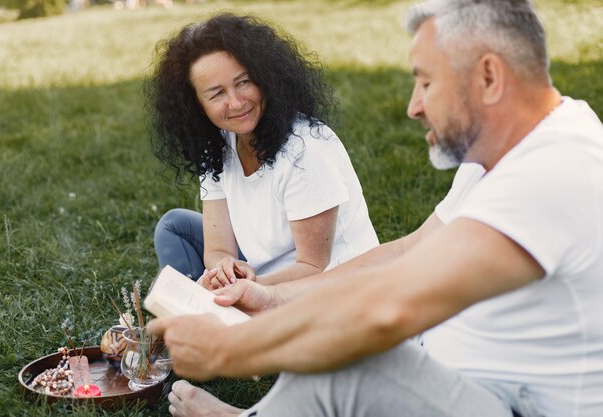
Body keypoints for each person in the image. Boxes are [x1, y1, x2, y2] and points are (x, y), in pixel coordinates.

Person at [148, 1, 603, 416]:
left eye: (426, 81)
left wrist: (231, 347)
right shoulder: (502, 154)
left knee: (350, 357)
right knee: (347, 350)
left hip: (514, 405)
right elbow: (407, 252)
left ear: (488, 77)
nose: (414, 106)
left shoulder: (556, 169)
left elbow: (390, 311)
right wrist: (271, 297)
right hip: (462, 377)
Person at [145, 13, 379, 290]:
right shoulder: (218, 144)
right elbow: (218, 249)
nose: (235, 102)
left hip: (329, 286)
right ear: (196, 104)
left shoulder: (306, 150)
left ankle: (196, 310)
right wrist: (224, 269)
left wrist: (243, 289)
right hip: (261, 275)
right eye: (217, 93)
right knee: (174, 227)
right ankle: (185, 305)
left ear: (265, 77)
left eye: (243, 82)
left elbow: (314, 267)